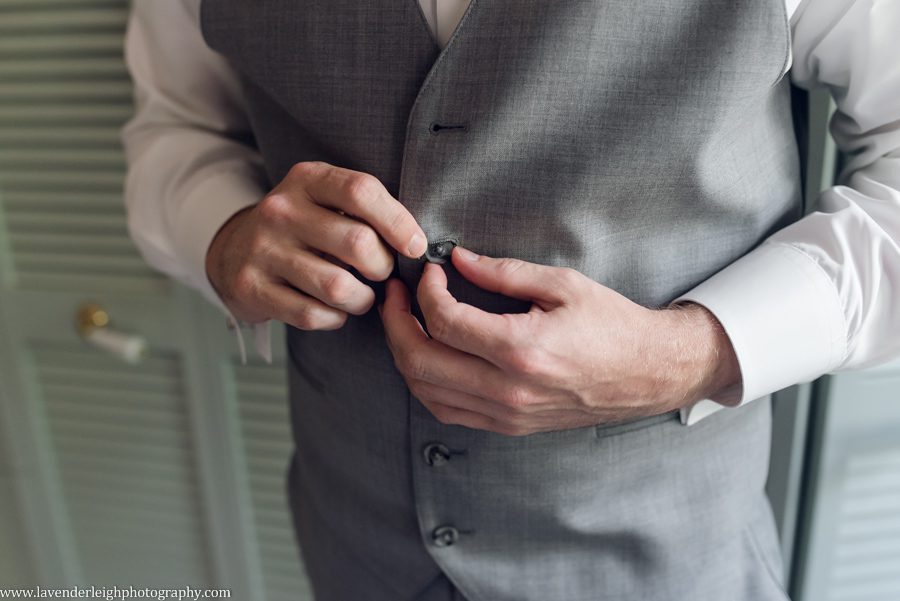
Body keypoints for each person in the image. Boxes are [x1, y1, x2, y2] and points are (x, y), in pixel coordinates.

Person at [122, 1, 900, 600]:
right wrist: (223, 234)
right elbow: (177, 129)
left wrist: (688, 355)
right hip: (353, 549)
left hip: (672, 562)